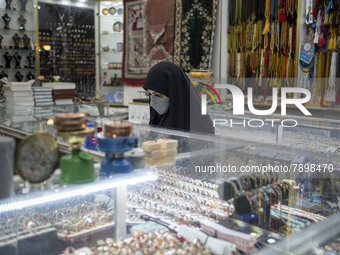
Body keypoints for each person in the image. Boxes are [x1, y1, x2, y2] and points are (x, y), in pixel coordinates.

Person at [143, 61, 214, 134]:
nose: (153, 102)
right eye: (150, 95)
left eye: (158, 95)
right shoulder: (157, 117)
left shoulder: (197, 124)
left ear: (173, 91)